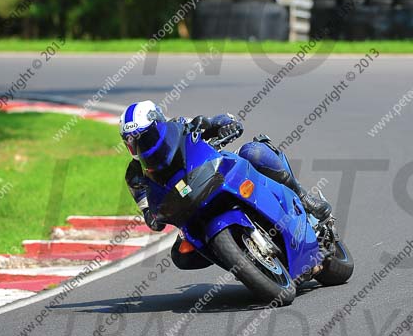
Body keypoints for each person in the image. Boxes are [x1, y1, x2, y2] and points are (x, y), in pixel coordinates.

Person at [119, 100, 332, 270]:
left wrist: (225, 124)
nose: (141, 145)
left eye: (146, 137)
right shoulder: (134, 175)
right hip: (188, 207)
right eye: (133, 142)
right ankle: (246, 263)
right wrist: (153, 216)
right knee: (181, 256)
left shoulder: (180, 126)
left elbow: (212, 123)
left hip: (215, 174)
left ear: (160, 126)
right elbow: (148, 211)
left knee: (254, 152)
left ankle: (304, 198)